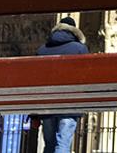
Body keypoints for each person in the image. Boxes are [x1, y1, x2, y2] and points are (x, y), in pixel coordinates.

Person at [35, 16, 89, 153]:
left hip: (47, 106)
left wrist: (34, 114)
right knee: (63, 144)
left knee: (49, 145)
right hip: (69, 104)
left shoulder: (42, 50)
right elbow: (87, 78)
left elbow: (36, 83)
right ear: (75, 31)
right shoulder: (79, 49)